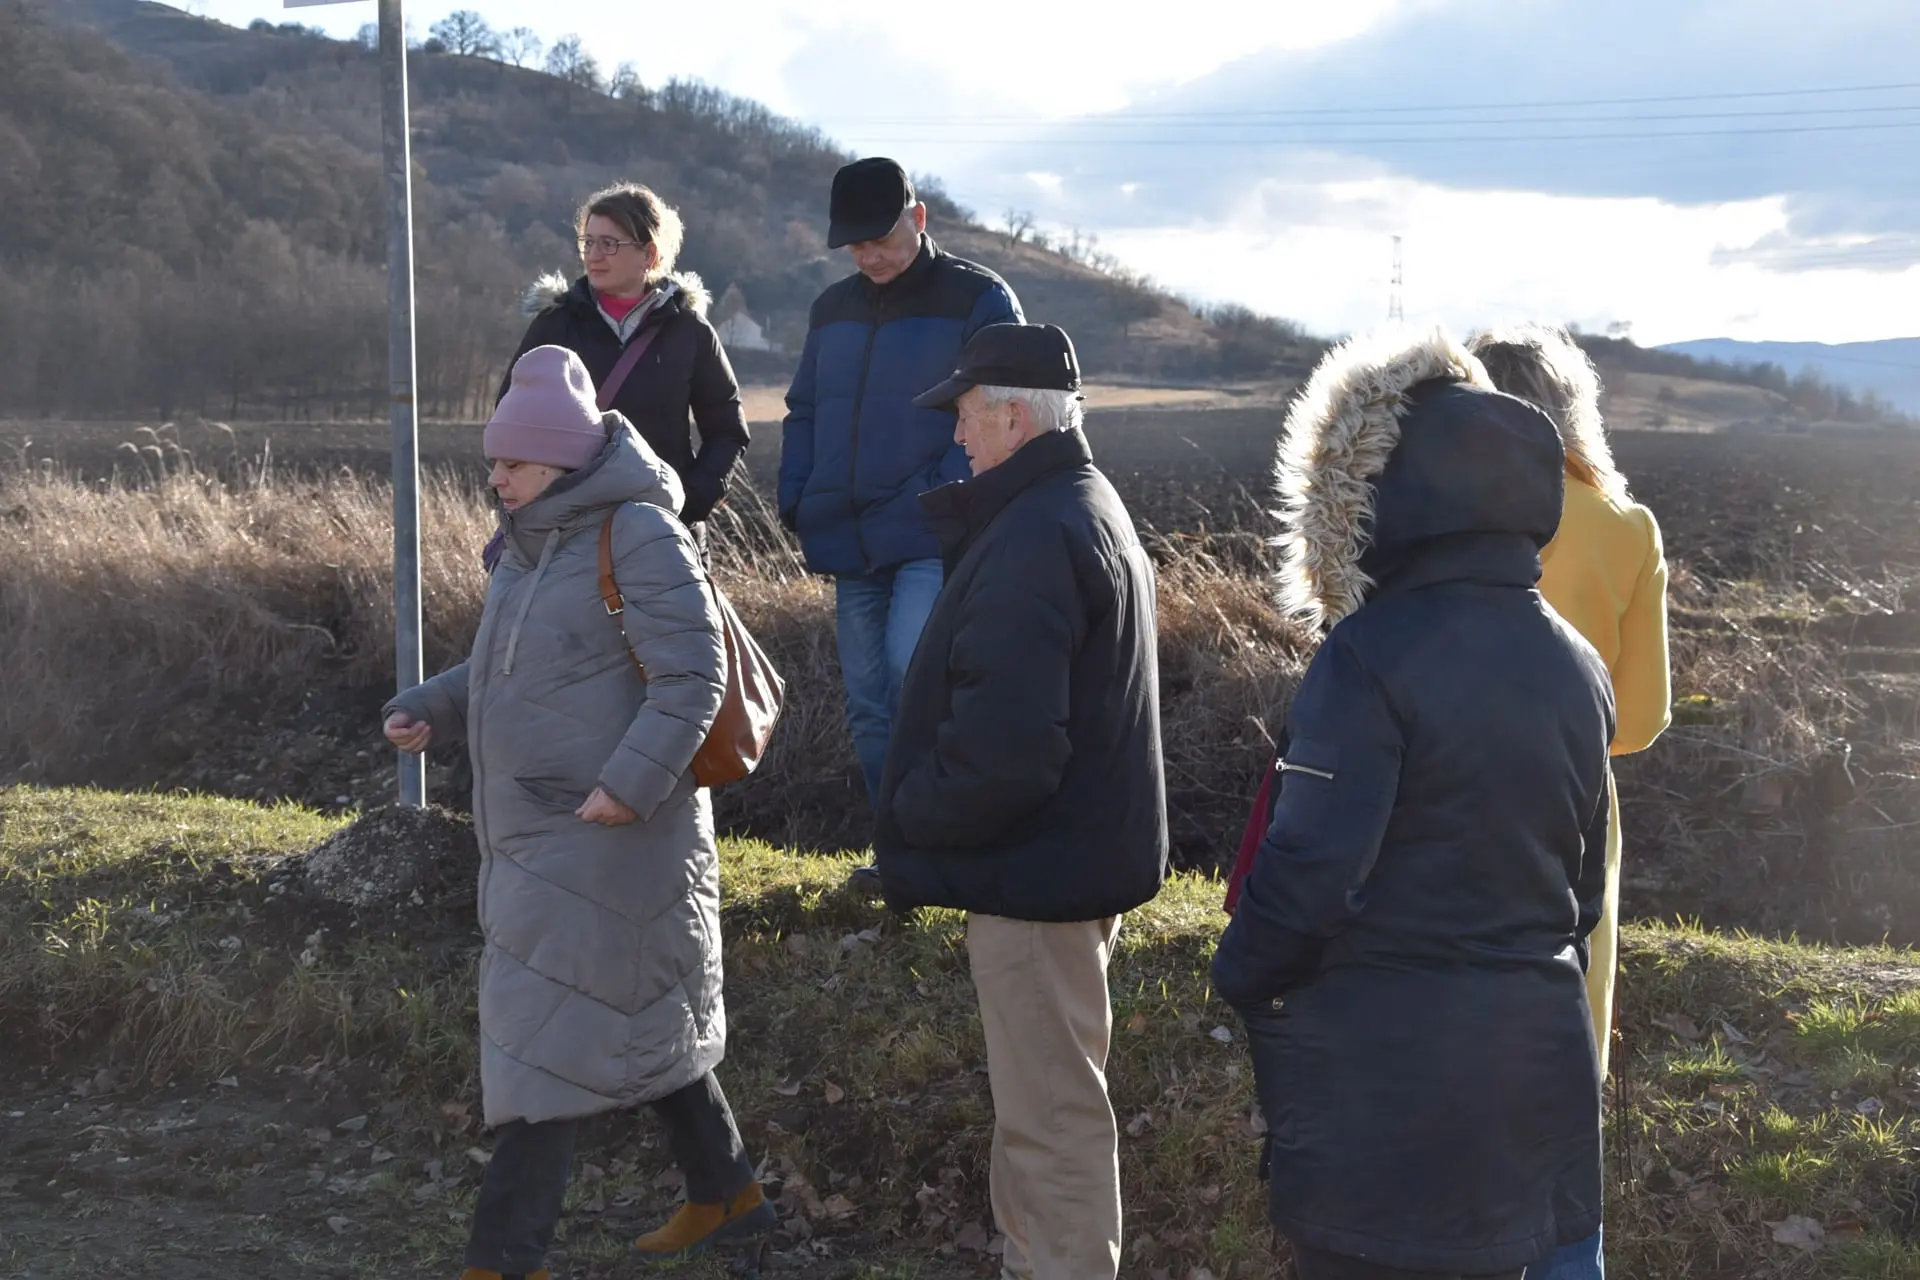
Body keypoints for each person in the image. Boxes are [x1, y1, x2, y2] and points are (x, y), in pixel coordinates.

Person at [1211, 328, 1614, 1280]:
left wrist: (1241, 971)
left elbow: (1310, 870)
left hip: (1387, 1090)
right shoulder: (1577, 664)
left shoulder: (1367, 655)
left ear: (1385, 498)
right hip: (1530, 1073)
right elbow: (1584, 891)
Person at [383, 345, 774, 1279]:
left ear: (562, 460)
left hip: (608, 832)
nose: (497, 479)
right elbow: (513, 673)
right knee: (634, 1019)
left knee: (545, 1043)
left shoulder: (637, 532)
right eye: (494, 464)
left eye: (512, 464)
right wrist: (435, 707)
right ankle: (730, 1199)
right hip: (544, 833)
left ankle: (504, 1259)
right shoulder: (531, 543)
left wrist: (627, 787)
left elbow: (692, 677)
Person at [875, 323, 1168, 1280]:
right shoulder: (1074, 505)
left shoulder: (1037, 534)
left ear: (1009, 412)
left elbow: (1007, 755)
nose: (957, 436)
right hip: (1059, 864)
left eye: (964, 414)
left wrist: (912, 811)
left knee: (1052, 1124)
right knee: (1039, 1113)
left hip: (1038, 879)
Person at [1469, 324, 1672, 1280]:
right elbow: (1640, 720)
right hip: (1575, 809)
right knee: (1563, 1071)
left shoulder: (1426, 517)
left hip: (1442, 803)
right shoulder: (1624, 529)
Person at [778, 157, 1024, 892]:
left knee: (915, 683)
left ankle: (952, 851)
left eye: (879, 239)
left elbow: (1004, 411)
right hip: (847, 536)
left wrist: (942, 498)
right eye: (854, 246)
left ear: (918, 219)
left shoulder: (980, 298)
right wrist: (798, 491)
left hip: (931, 533)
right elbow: (805, 408)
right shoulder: (832, 309)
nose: (868, 257)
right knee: (868, 708)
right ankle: (900, 858)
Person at [499, 182, 748, 564]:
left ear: (649, 253)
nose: (594, 256)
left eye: (610, 244)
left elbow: (727, 429)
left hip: (664, 532)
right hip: (568, 536)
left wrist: (689, 502)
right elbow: (511, 424)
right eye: (589, 242)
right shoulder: (557, 326)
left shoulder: (689, 332)